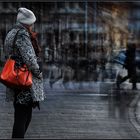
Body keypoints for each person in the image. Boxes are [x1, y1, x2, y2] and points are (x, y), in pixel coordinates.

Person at [3, 7, 45, 138]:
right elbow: (30, 58)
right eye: (31, 23)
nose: (33, 26)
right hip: (23, 80)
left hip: (15, 78)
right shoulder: (22, 34)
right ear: (27, 23)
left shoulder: (11, 33)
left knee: (22, 114)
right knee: (23, 117)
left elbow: (7, 54)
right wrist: (38, 72)